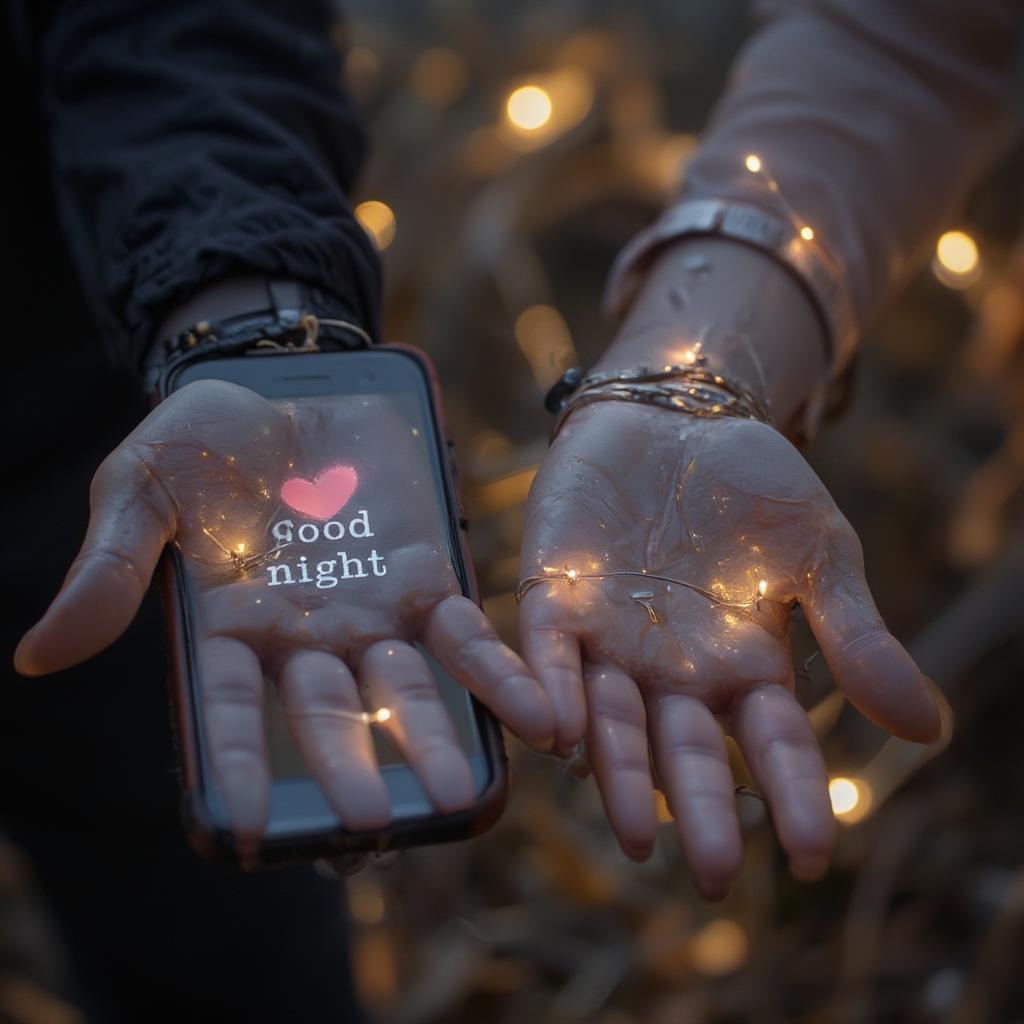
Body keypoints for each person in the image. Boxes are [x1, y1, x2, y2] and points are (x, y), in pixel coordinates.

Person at [6, 0, 1020, 1016]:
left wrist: (246, 333)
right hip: (98, 416)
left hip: (75, 419)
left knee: (215, 942)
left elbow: (906, 40)